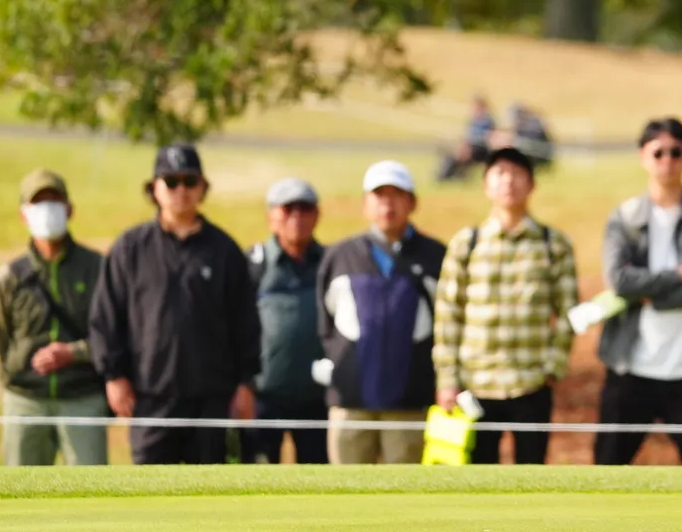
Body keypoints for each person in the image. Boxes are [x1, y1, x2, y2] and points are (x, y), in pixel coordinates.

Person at [89, 145, 260, 465]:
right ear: (154, 188)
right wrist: (114, 376)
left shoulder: (224, 251)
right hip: (150, 398)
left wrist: (246, 384)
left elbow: (246, 324)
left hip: (211, 400)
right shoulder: (130, 249)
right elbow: (106, 318)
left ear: (202, 188)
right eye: (171, 182)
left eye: (190, 181)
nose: (181, 190)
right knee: (150, 491)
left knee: (207, 490)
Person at [593, 118, 682, 467]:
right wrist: (676, 276)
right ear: (643, 156)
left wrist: (651, 295)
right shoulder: (625, 217)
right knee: (607, 467)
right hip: (630, 365)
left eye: (676, 152)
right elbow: (618, 281)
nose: (667, 161)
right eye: (658, 153)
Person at [433, 147, 579, 464]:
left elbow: (569, 311)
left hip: (531, 382)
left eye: (517, 174)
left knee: (531, 476)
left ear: (532, 184)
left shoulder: (552, 244)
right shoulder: (467, 243)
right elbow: (448, 314)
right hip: (476, 384)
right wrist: (447, 379)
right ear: (486, 184)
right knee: (479, 480)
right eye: (500, 173)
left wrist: (553, 367)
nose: (508, 182)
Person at [318, 160, 446, 464]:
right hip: (351, 400)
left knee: (402, 488)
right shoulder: (341, 256)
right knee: (348, 487)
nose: (387, 204)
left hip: (409, 401)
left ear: (412, 202)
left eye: (397, 195)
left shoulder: (435, 256)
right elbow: (325, 324)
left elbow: (448, 322)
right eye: (379, 195)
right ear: (365, 204)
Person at [0, 169, 107, 466]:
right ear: (23, 214)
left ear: (69, 209)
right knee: (19, 489)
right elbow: (2, 342)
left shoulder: (98, 268)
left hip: (82, 396)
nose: (47, 210)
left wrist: (73, 352)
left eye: (54, 201)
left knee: (90, 489)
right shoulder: (10, 276)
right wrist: (10, 389)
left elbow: (112, 335)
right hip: (25, 400)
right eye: (39, 203)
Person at [244, 178, 328, 464]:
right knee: (260, 481)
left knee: (318, 481)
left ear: (317, 215)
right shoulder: (252, 263)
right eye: (288, 209)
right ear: (271, 216)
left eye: (305, 209)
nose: (297, 217)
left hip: (318, 400)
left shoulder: (330, 262)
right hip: (264, 398)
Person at [436, 94, 495, 182]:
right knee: (454, 153)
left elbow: (488, 137)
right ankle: (447, 175)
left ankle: (454, 175)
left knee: (464, 152)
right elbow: (467, 136)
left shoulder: (487, 120)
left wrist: (470, 145)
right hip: (469, 147)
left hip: (481, 148)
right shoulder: (472, 120)